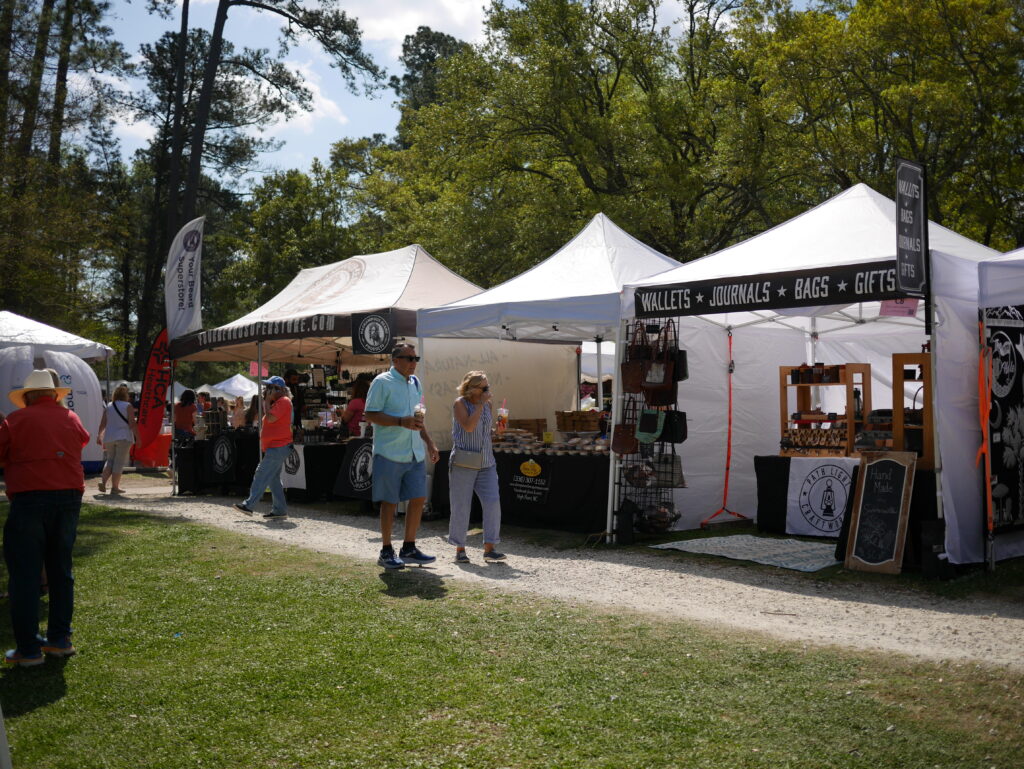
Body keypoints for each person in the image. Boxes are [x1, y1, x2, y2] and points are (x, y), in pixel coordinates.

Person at [0, 370, 89, 666]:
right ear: (54, 394)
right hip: (68, 499)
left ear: (27, 397)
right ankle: (60, 640)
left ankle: (28, 649)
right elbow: (82, 441)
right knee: (61, 570)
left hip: (29, 499)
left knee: (25, 575)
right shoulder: (70, 418)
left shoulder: (15, 420)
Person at [364, 344, 439, 569]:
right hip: (389, 453)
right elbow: (369, 414)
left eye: (416, 358)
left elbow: (417, 419)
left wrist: (430, 443)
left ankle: (409, 547)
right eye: (408, 358)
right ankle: (386, 550)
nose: (413, 362)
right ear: (395, 360)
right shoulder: (381, 382)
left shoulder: (415, 383)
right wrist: (399, 421)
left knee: (418, 499)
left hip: (413, 452)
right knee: (390, 502)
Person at [448, 371, 505, 564]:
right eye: (485, 388)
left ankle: (490, 548)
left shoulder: (487, 404)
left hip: (486, 462)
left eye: (488, 387)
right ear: (472, 389)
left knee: (492, 503)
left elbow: (485, 431)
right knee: (461, 506)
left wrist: (498, 430)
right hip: (464, 461)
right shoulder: (460, 404)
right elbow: (469, 427)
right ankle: (460, 549)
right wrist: (480, 404)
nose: (488, 391)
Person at [234, 376, 293, 520]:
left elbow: (271, 418)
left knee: (261, 474)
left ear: (277, 389)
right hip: (276, 446)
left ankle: (249, 505)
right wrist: (267, 401)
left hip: (278, 446)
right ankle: (280, 510)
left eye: (269, 387)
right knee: (273, 480)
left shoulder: (284, 401)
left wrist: (266, 400)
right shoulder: (278, 402)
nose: (265, 390)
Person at [96, 383, 139, 494]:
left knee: (110, 460)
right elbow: (132, 423)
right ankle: (115, 487)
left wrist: (99, 435)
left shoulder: (109, 406)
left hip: (109, 437)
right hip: (123, 437)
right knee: (119, 462)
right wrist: (138, 438)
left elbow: (103, 423)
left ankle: (103, 482)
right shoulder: (127, 406)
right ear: (126, 395)